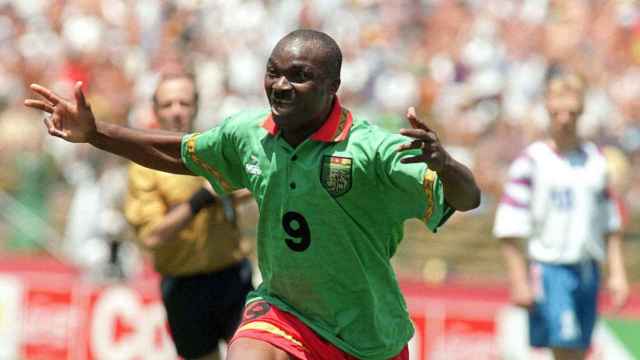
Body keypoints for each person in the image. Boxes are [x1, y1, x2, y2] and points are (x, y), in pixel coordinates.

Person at [25, 29, 480, 360]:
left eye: (299, 76)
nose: (281, 85)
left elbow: (466, 198)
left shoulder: (371, 150)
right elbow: (178, 153)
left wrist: (449, 165)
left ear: (332, 86)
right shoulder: (248, 134)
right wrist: (94, 133)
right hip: (284, 311)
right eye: (273, 73)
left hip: (367, 335)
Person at [493, 70, 629, 360]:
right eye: (558, 109)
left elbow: (610, 223)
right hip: (550, 268)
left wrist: (616, 273)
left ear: (581, 109)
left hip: (587, 269)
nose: (565, 118)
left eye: (571, 110)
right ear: (547, 108)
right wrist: (518, 278)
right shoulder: (531, 162)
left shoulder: (596, 162)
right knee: (565, 348)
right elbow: (508, 225)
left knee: (578, 349)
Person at [123, 71, 253, 360]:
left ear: (196, 106)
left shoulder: (215, 150)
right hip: (184, 286)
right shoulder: (144, 166)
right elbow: (152, 236)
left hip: (233, 277)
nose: (177, 111)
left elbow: (244, 189)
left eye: (184, 103)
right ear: (155, 110)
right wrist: (201, 199)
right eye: (168, 104)